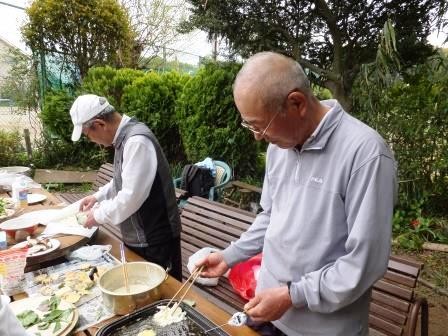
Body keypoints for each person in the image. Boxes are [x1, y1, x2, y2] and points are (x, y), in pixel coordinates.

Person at [197, 52, 397, 335]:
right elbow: (271, 215)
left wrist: (293, 295)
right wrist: (230, 255)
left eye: (260, 125)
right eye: (250, 126)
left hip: (322, 328)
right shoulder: (280, 146)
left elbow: (363, 264)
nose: (257, 136)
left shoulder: (365, 154)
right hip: (267, 311)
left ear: (297, 103)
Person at [70, 94, 182, 281]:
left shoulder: (136, 141)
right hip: (141, 236)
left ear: (99, 124)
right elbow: (123, 179)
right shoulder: (125, 140)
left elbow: (130, 197)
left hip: (155, 238)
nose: (91, 141)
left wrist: (97, 216)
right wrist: (98, 197)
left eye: (88, 135)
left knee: (165, 295)